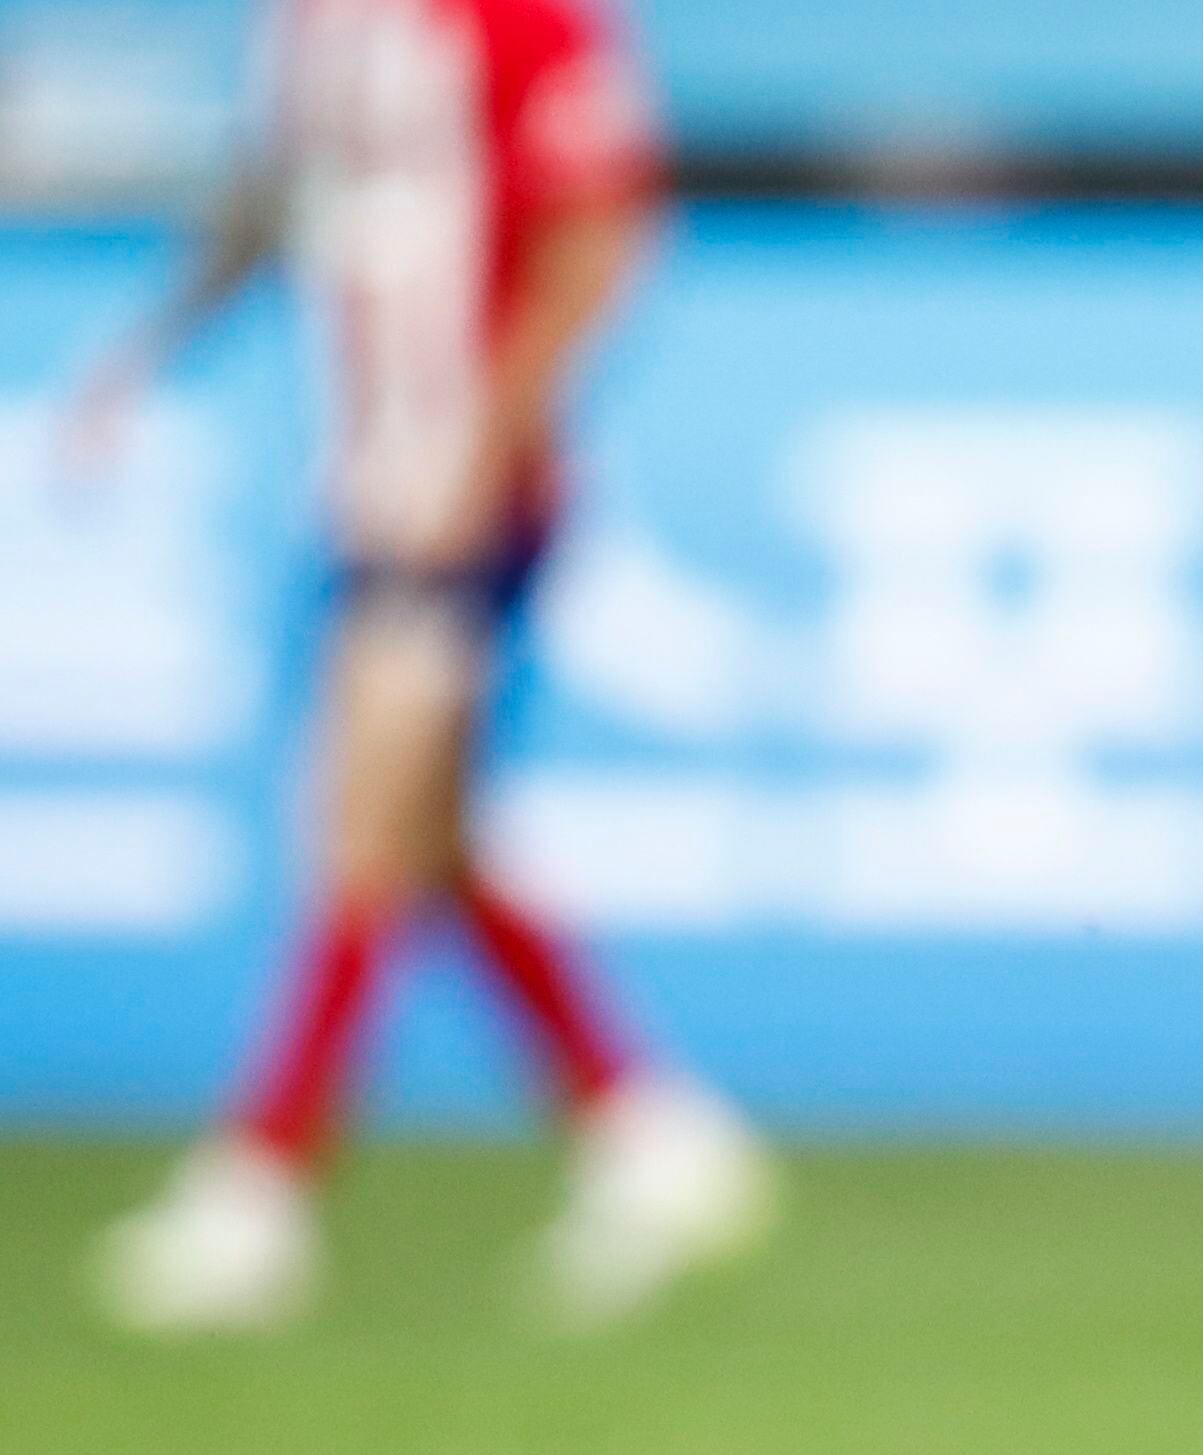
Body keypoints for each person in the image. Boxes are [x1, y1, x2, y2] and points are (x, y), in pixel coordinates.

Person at [67, 0, 774, 1336]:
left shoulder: (526, 23)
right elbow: (277, 193)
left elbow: (602, 234)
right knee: (430, 833)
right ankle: (649, 1130)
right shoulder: (315, 25)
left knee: (358, 811)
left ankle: (259, 1185)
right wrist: (148, 354)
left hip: (465, 492)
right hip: (366, 482)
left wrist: (490, 443)